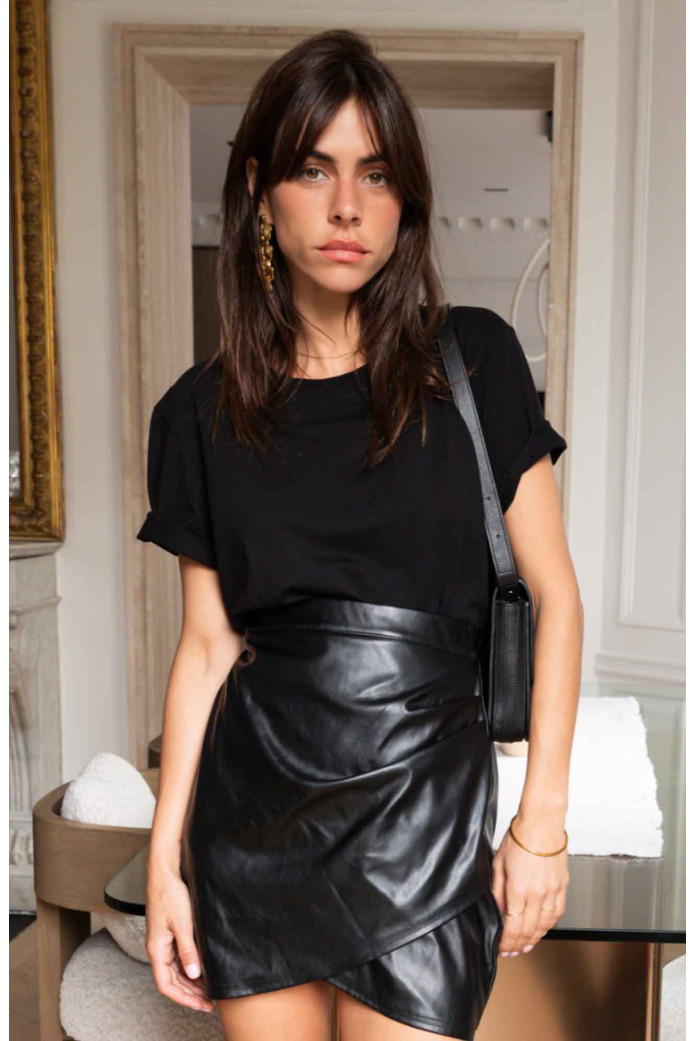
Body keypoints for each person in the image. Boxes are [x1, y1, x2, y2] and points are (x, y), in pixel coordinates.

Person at [137, 28, 583, 1041]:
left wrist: (541, 826)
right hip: (253, 823)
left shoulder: (473, 360)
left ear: (404, 201)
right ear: (261, 191)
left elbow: (553, 595)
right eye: (313, 169)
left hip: (426, 811)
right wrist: (166, 864)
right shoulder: (198, 412)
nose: (346, 206)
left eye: (375, 175)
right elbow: (206, 647)